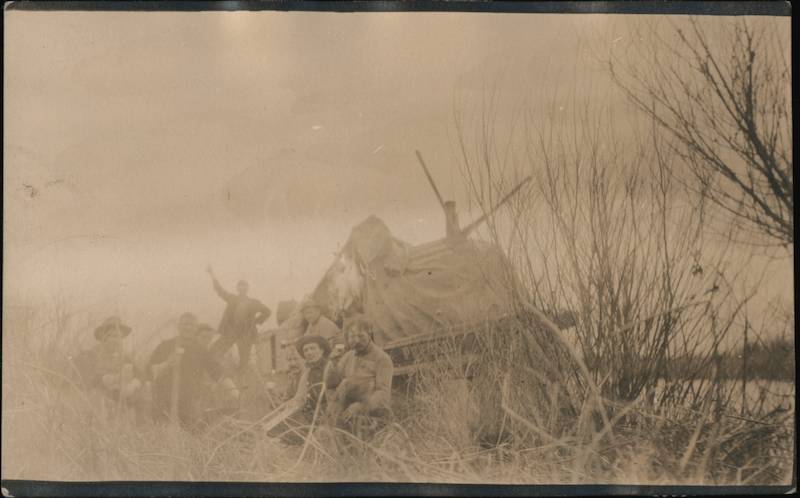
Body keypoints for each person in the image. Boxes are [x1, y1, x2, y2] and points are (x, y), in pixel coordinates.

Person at [147, 312, 226, 431]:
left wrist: (234, 392)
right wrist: (167, 364)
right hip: (165, 400)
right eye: (185, 324)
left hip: (189, 403)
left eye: (192, 325)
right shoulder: (165, 346)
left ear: (196, 328)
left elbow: (218, 372)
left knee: (190, 435)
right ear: (178, 326)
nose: (188, 327)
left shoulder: (201, 350)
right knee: (163, 434)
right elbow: (148, 371)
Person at [324, 314, 394, 436]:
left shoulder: (382, 359)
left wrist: (361, 407)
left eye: (361, 336)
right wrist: (332, 363)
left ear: (369, 334)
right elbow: (331, 384)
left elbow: (383, 393)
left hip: (373, 415)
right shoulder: (347, 357)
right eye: (352, 336)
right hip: (348, 412)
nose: (356, 341)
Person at [73, 316, 149, 423]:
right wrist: (112, 379)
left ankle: (141, 428)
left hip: (119, 396)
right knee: (97, 398)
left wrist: (132, 385)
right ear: (103, 337)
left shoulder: (125, 357)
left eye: (119, 337)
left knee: (143, 393)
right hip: (96, 398)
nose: (117, 341)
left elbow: (142, 375)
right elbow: (84, 380)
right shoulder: (89, 355)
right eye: (113, 336)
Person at [267, 334, 332, 445]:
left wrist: (325, 419)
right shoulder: (307, 372)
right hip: (310, 414)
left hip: (328, 415)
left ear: (321, 350)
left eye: (312, 348)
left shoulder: (331, 368)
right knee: (272, 429)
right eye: (306, 350)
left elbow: (336, 398)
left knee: (290, 434)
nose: (309, 352)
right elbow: (299, 398)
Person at [206, 265, 272, 370]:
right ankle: (219, 373)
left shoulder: (253, 302)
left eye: (245, 286)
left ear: (248, 288)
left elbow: (267, 311)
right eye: (240, 286)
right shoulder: (232, 299)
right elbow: (219, 290)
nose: (242, 288)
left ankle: (243, 382)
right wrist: (212, 274)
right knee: (215, 352)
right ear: (237, 288)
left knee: (244, 362)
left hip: (245, 334)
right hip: (231, 331)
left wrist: (256, 321)